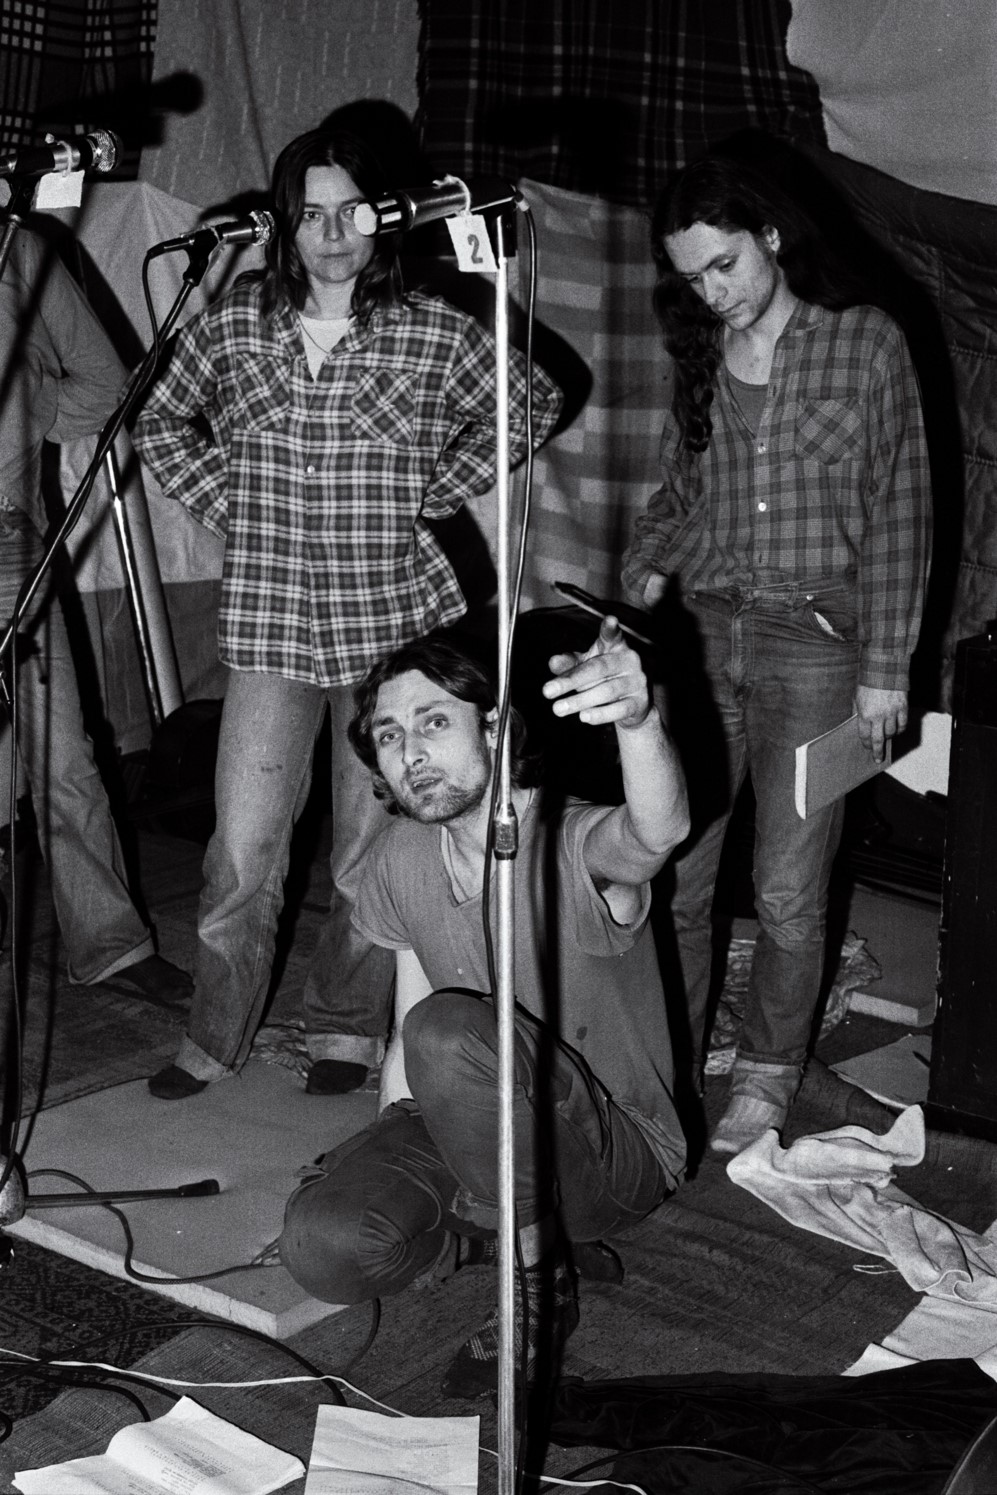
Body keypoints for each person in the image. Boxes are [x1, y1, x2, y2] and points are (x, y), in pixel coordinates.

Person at [133, 125, 561, 1100]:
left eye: (353, 212)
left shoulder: (432, 327)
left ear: (384, 219)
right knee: (241, 850)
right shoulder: (237, 323)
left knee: (367, 852)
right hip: (270, 623)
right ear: (284, 223)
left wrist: (436, 489)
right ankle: (214, 1033)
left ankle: (345, 1028)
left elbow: (531, 402)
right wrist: (227, 499)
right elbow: (156, 417)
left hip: (390, 627)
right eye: (311, 213)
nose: (332, 234)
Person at [278, 620, 690, 1394]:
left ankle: (537, 1284)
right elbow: (409, 1028)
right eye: (390, 735)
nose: (410, 752)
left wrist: (637, 722)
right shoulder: (400, 856)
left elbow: (652, 834)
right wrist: (383, 1161)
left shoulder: (572, 843)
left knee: (448, 1032)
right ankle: (498, 1238)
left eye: (434, 721)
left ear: (495, 728)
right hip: (473, 1117)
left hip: (610, 1155)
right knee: (323, 1244)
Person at [622, 150, 932, 1155]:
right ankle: (667, 1058)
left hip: (819, 648)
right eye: (693, 278)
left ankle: (765, 1074)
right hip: (706, 632)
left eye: (724, 265)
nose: (712, 292)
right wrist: (642, 566)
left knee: (790, 888)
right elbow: (680, 497)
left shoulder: (864, 342)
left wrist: (886, 669)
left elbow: (901, 511)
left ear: (769, 235)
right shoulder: (700, 354)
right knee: (679, 866)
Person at [0, 228, 193, 1004]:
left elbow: (106, 380)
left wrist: (29, 408)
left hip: (6, 541)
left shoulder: (17, 246)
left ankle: (110, 944)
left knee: (61, 753)